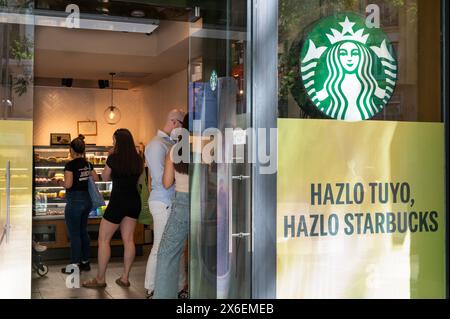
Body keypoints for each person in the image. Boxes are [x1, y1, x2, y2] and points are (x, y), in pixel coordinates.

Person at [82, 129, 143, 288]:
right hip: (134, 201)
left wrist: (109, 158)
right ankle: (125, 278)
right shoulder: (138, 159)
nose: (113, 143)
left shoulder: (113, 158)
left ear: (117, 141)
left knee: (104, 239)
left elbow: (104, 178)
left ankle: (100, 279)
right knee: (129, 240)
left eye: (114, 140)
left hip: (118, 202)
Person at [144, 108, 187, 298]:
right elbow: (161, 180)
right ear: (175, 123)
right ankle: (152, 286)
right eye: (181, 125)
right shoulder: (156, 145)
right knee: (161, 247)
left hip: (169, 200)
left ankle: (176, 286)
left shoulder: (168, 143)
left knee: (171, 247)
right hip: (163, 201)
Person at [61, 135, 98, 274]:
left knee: (74, 234)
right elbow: (95, 177)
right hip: (86, 200)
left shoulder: (70, 165)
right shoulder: (87, 164)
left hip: (74, 201)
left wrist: (59, 182)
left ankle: (74, 265)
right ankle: (85, 262)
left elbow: (68, 184)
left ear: (71, 150)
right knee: (83, 232)